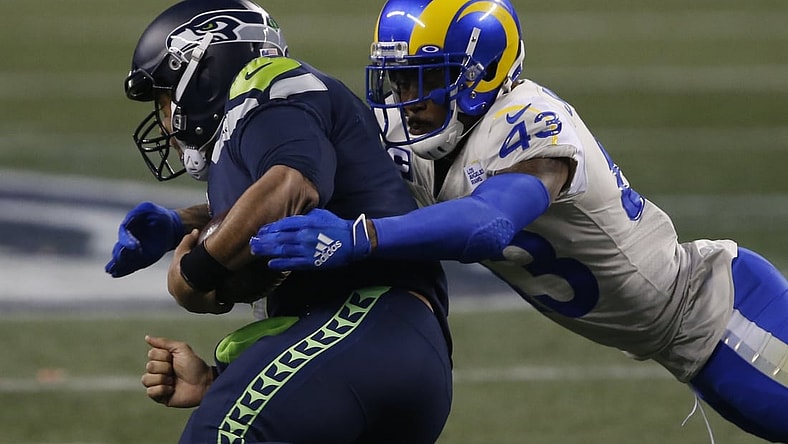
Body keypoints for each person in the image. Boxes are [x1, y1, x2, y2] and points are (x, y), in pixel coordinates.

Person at [248, 0, 788, 442]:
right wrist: (207, 223)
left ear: (478, 75)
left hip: (722, 315)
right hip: (685, 342)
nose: (407, 101)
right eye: (399, 81)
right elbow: (319, 179)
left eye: (425, 80)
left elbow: (488, 223)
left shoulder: (529, 121)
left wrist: (361, 236)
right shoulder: (420, 138)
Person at [106, 0, 453, 442]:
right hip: (375, 341)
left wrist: (194, 276)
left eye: (164, 98)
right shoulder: (265, 120)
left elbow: (292, 186)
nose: (165, 119)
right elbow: (282, 203)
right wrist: (181, 225)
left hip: (369, 320)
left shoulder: (267, 86)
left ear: (201, 71)